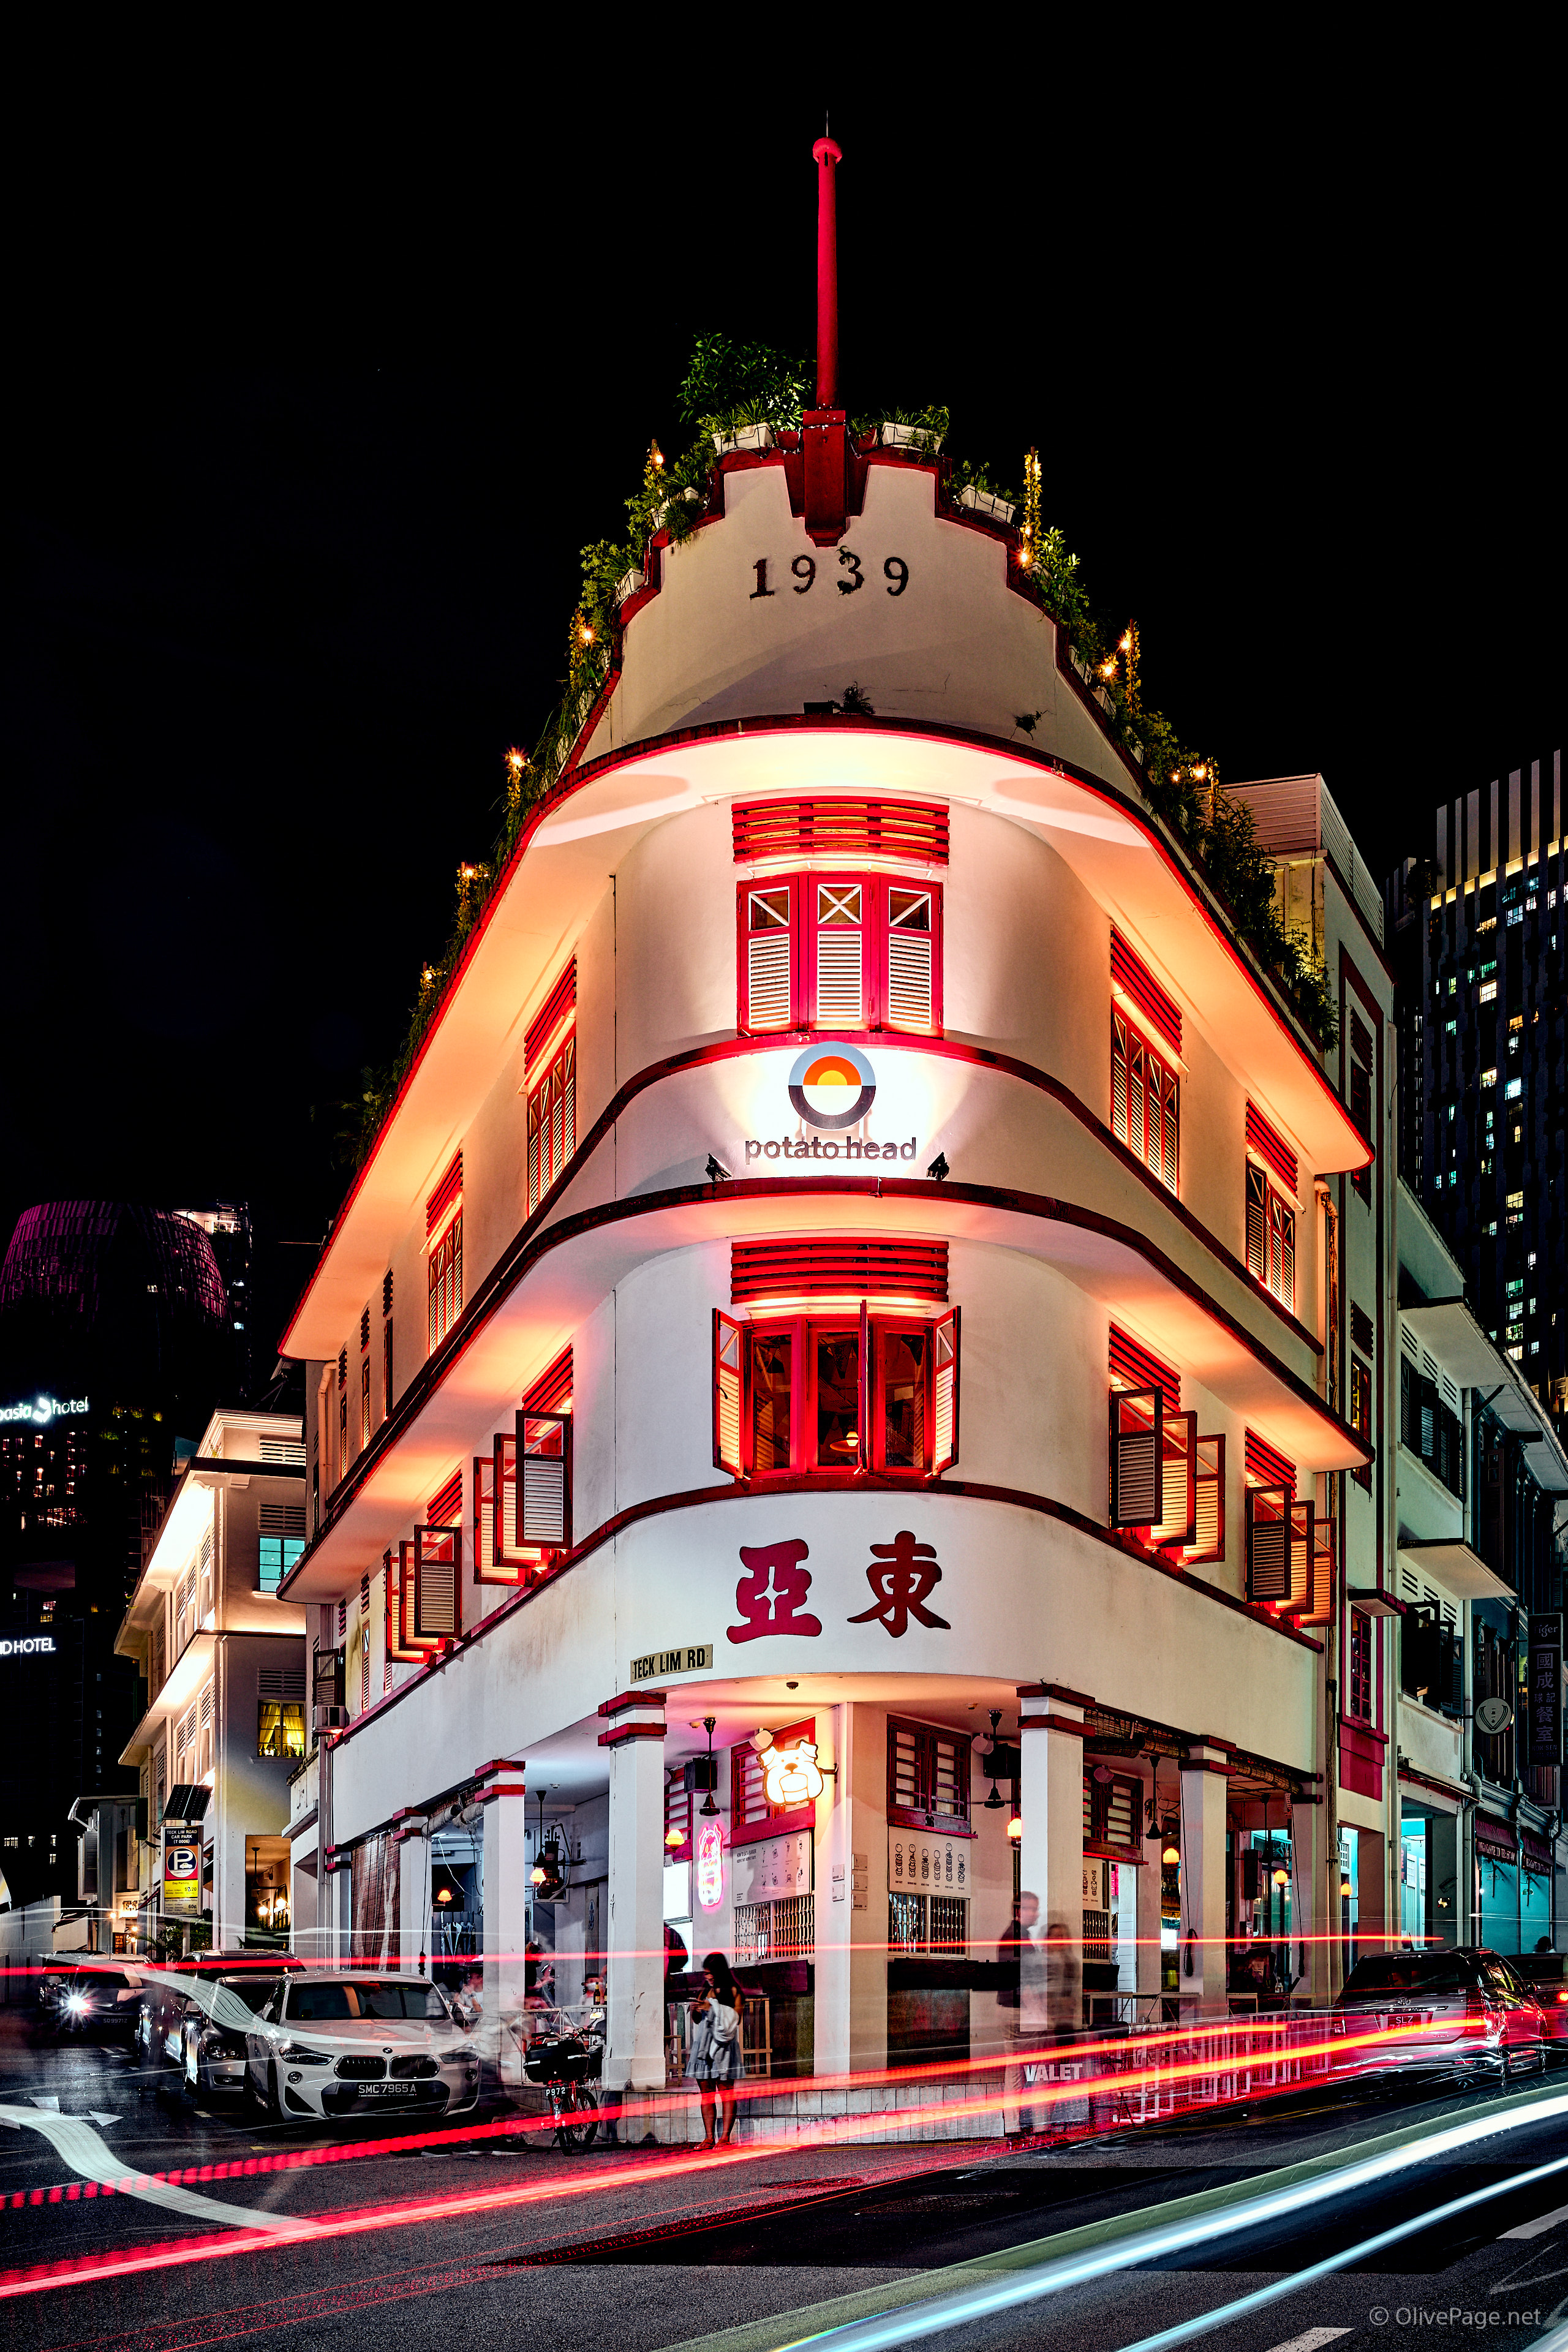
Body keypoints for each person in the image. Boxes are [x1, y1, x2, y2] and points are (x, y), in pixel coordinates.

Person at [687, 1952, 743, 2146]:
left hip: (723, 2047)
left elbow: (736, 2019)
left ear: (721, 1972)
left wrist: (712, 2008)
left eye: (711, 1973)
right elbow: (697, 2021)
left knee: (726, 2091)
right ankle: (709, 2137)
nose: (709, 1977)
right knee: (706, 2093)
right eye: (705, 1974)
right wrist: (695, 2010)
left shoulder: (733, 1991)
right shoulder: (704, 1992)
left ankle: (725, 2138)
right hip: (703, 2047)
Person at [998, 1892, 1039, 2139]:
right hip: (1018, 2011)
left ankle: (1014, 2126)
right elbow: (1024, 1982)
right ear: (1018, 1912)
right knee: (1024, 2069)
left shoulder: (1015, 1936)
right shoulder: (1019, 1939)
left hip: (1010, 2008)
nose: (1036, 1914)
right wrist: (1038, 2011)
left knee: (1015, 2070)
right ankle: (1027, 2124)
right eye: (1031, 1909)